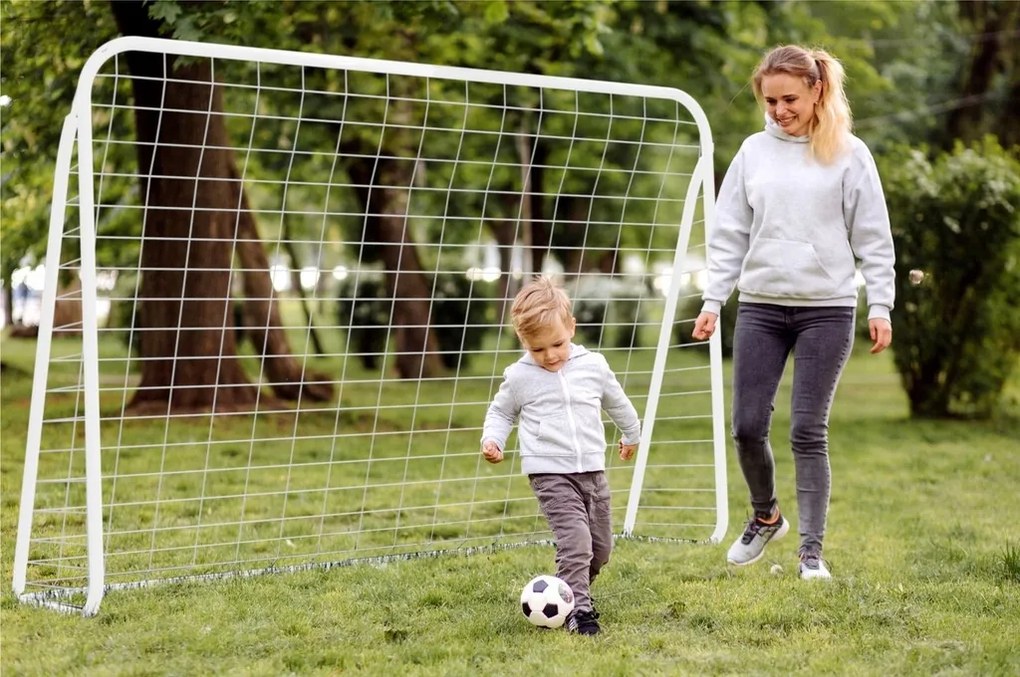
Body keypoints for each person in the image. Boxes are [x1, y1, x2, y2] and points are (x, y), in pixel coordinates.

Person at [691, 45, 895, 581]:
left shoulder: (849, 154)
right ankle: (766, 516)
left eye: (789, 99)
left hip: (826, 310)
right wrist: (714, 299)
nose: (779, 110)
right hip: (760, 306)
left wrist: (882, 304)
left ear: (816, 91)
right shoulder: (754, 152)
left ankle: (811, 553)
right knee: (747, 426)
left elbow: (873, 236)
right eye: (770, 100)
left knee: (808, 429)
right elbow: (729, 232)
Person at [481, 276, 641, 635]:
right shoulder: (520, 376)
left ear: (571, 327)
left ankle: (568, 591)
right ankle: (579, 613)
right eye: (538, 349)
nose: (550, 355)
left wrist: (632, 434)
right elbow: (502, 412)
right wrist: (494, 439)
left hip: (593, 472)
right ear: (524, 342)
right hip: (550, 474)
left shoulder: (593, 366)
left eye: (557, 343)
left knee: (600, 550)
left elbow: (617, 402)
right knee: (576, 542)